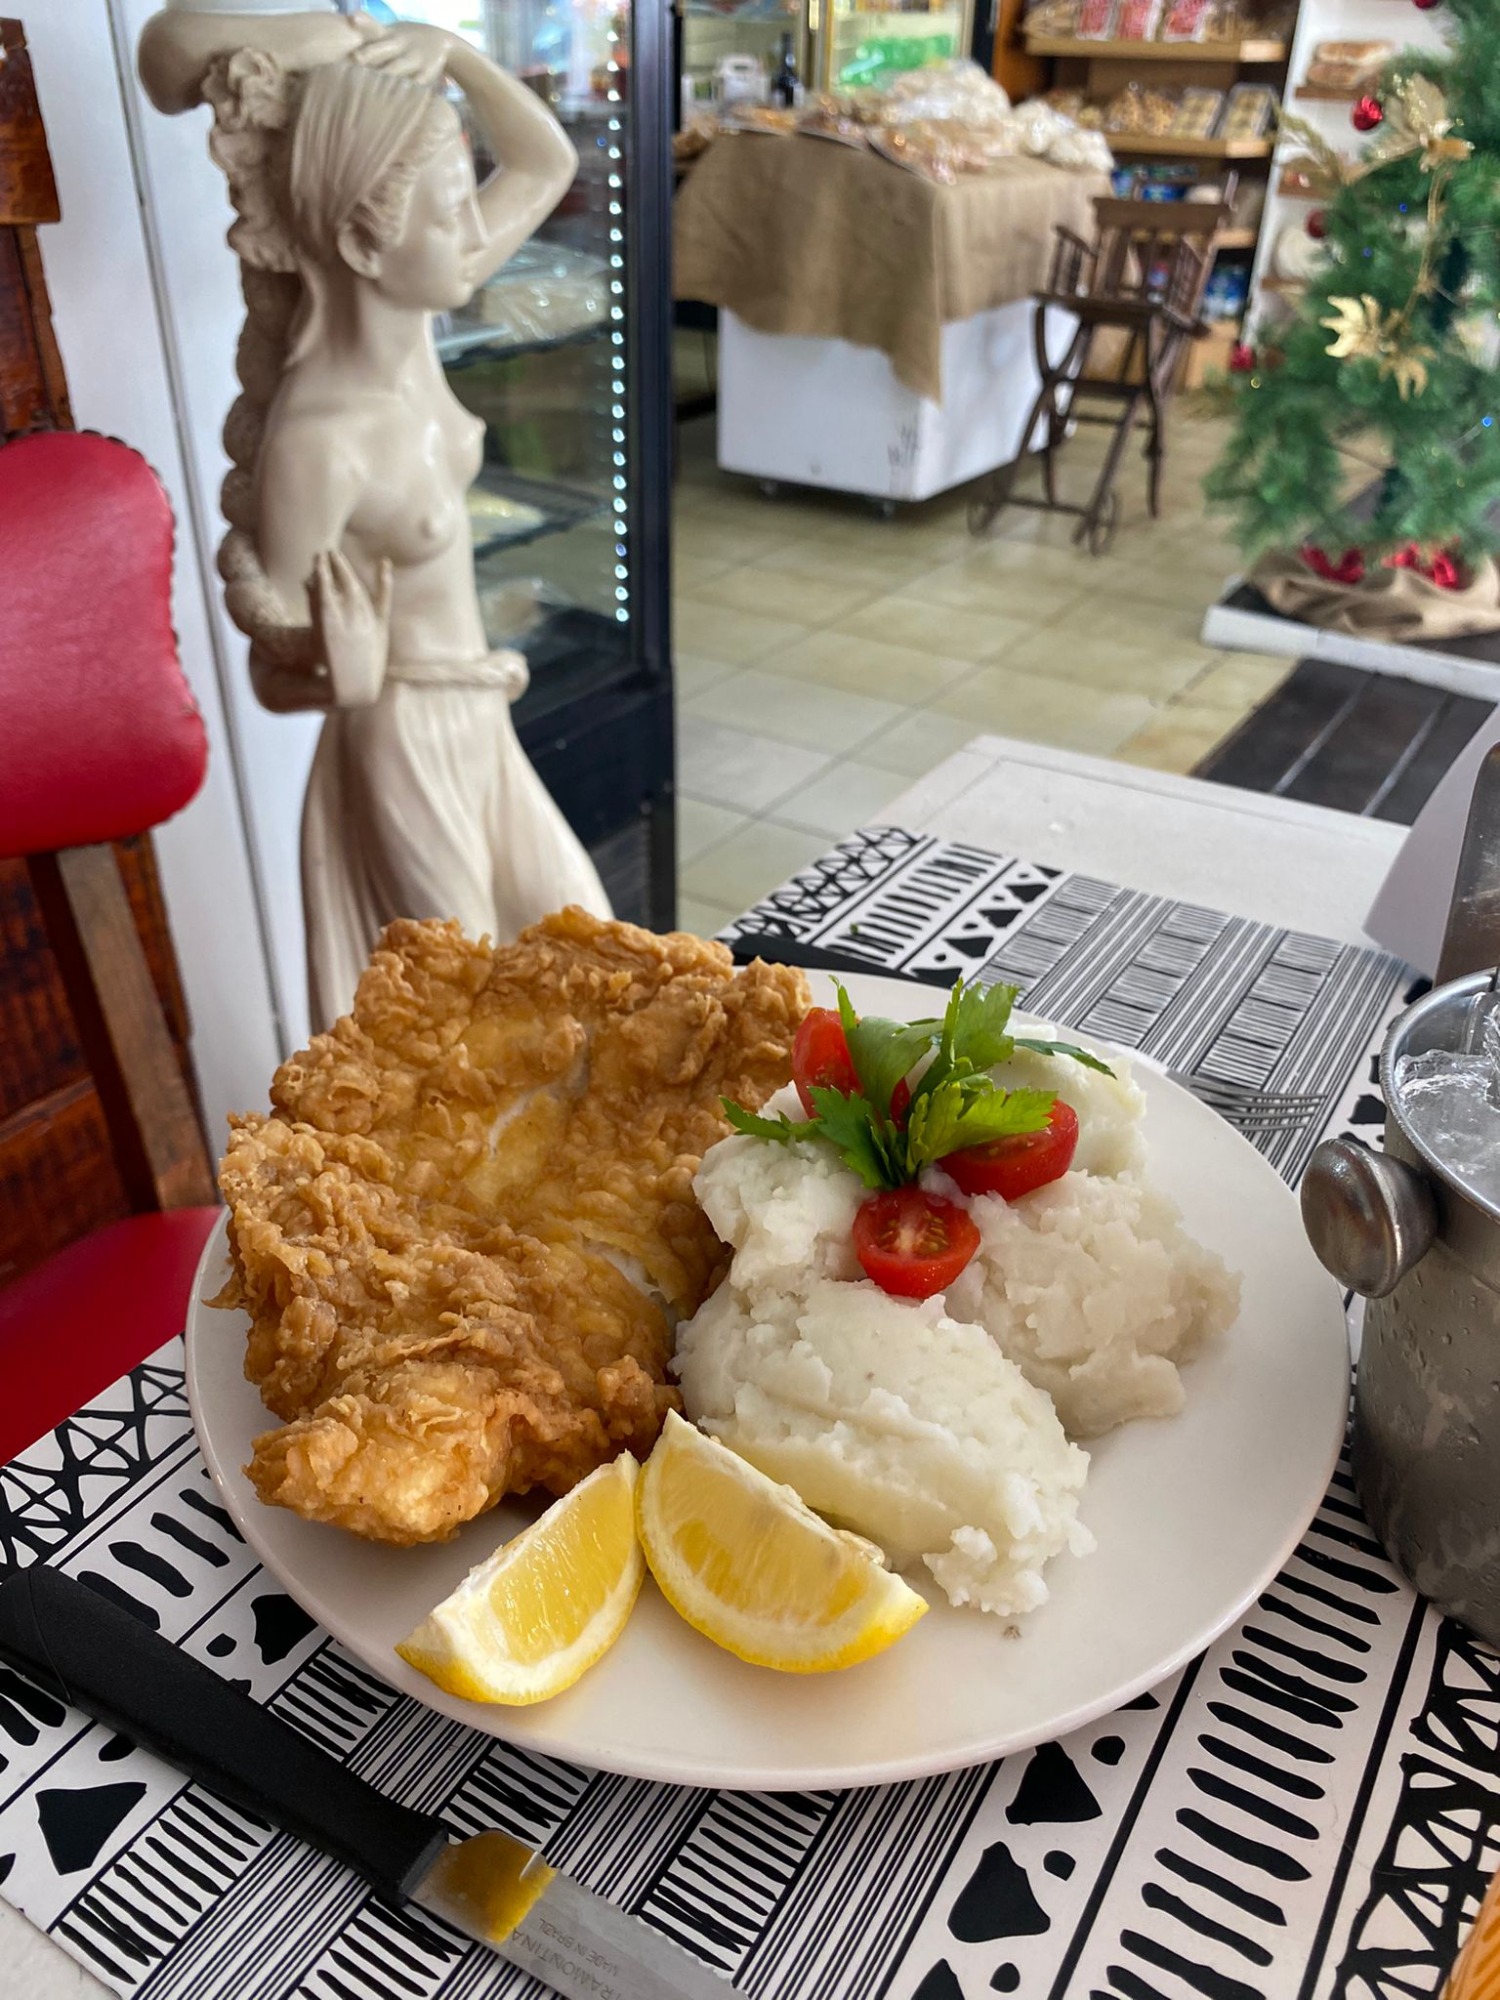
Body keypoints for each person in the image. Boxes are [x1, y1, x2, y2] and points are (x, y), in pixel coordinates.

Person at [139, 14, 610, 1026]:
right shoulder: (323, 438)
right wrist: (340, 673)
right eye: (447, 211)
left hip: (482, 717)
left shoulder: (422, 310)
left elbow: (546, 158)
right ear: (361, 238)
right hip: (403, 741)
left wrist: (452, 53)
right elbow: (272, 667)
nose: (473, 230)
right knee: (473, 1021)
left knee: (596, 954)